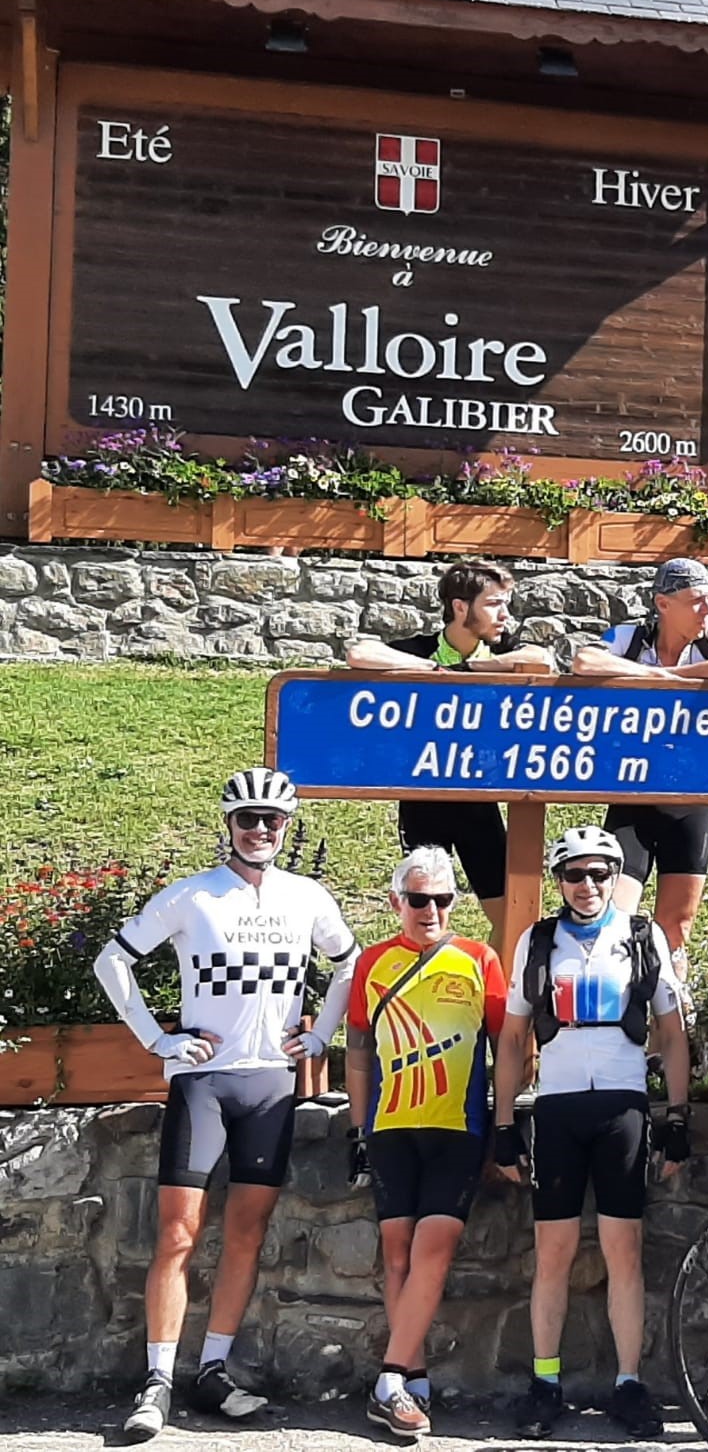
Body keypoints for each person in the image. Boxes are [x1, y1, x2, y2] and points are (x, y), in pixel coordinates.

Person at [93, 767, 360, 1442]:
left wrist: (321, 1035)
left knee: (246, 1233)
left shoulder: (307, 896)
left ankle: (212, 1369)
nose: (260, 830)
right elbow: (111, 962)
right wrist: (158, 1039)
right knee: (177, 1235)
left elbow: (351, 963)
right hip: (204, 1083)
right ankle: (157, 1380)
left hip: (271, 1083)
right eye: (248, 819)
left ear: (287, 827)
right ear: (229, 824)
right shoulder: (192, 895)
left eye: (273, 820)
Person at [490, 825, 692, 1440]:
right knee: (552, 1255)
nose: (587, 885)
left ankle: (628, 1384)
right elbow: (513, 1038)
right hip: (558, 1108)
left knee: (623, 1252)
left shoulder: (641, 936)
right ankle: (545, 1383)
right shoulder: (538, 941)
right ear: (559, 881)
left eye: (600, 873)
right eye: (574, 874)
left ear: (615, 877)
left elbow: (673, 1032)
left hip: (622, 1108)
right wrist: (504, 1124)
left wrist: (677, 1116)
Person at [345, 846, 507, 1439]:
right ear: (397, 902)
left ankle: (387, 1378)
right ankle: (412, 1379)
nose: (431, 910)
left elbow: (509, 1048)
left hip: (457, 1127)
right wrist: (358, 1128)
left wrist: (507, 1120)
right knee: (396, 1255)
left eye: (442, 899)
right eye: (419, 899)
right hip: (390, 1127)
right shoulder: (373, 963)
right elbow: (357, 1052)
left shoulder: (479, 959)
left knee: (434, 1250)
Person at [346, 558, 555, 958]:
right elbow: (360, 653)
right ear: (460, 607)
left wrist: (468, 668)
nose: (505, 615)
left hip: (478, 801)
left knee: (512, 917)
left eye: (505, 603)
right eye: (494, 604)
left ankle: (488, 985)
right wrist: (431, 668)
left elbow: (542, 660)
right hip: (423, 800)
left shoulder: (502, 649)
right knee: (423, 916)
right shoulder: (423, 648)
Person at [569, 557, 708, 981]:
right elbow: (585, 662)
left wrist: (668, 677)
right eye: (696, 601)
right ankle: (618, 1000)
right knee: (616, 916)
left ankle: (671, 1009)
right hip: (634, 792)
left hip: (692, 795)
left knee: (676, 928)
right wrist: (653, 674)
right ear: (663, 604)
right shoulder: (630, 636)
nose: (706, 609)